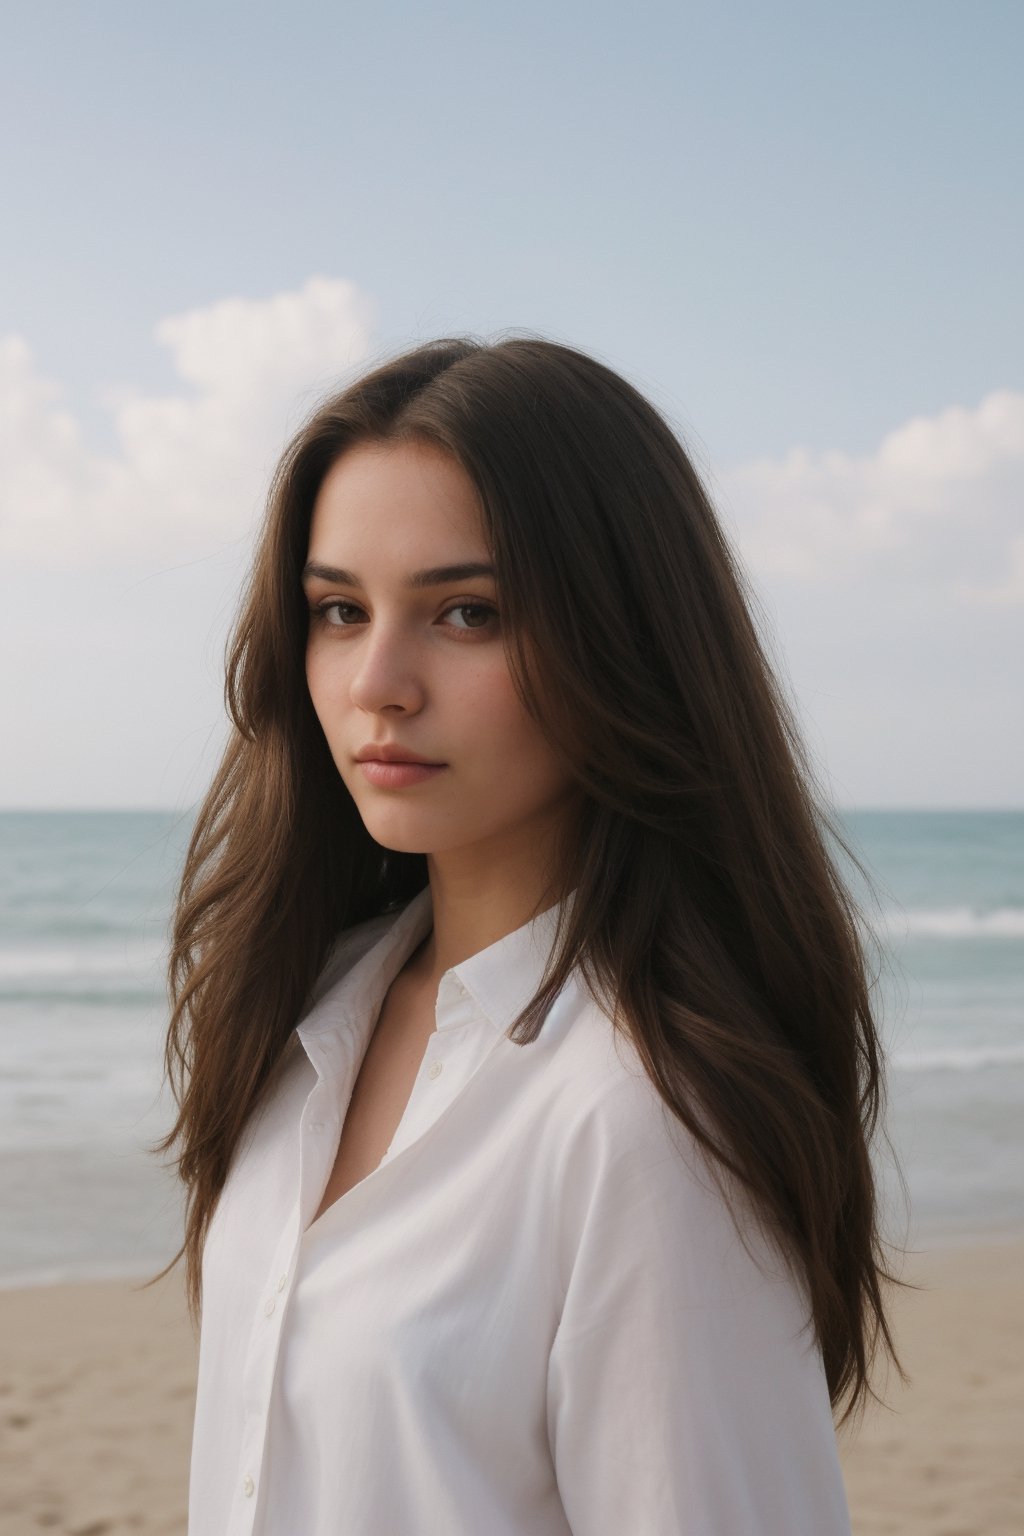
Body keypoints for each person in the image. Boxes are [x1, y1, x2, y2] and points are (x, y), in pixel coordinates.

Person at [150, 335, 904, 1534]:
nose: (377, 682)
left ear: (625, 636)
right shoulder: (308, 1024)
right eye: (339, 610)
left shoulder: (643, 1125)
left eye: (466, 612)